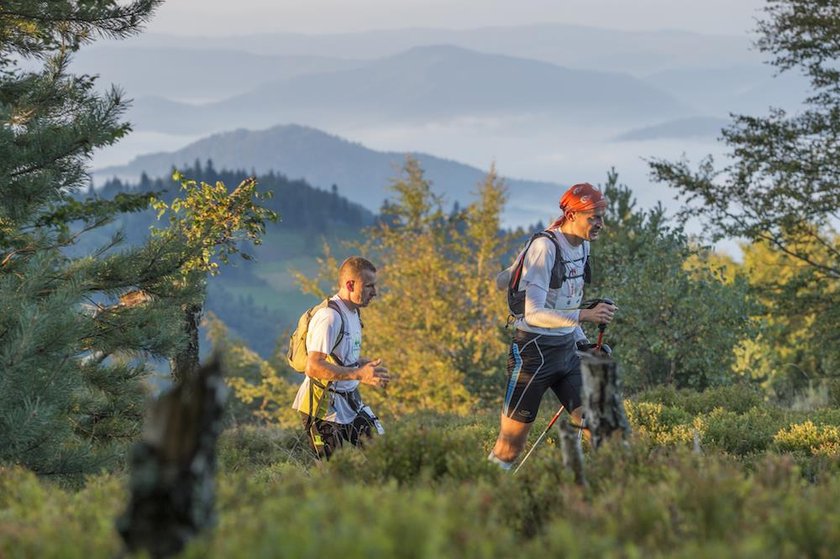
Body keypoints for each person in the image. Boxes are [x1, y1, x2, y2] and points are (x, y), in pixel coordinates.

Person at [488, 183, 618, 470]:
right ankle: (482, 499)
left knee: (597, 426)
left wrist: (583, 342)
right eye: (593, 217)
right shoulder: (545, 248)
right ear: (572, 215)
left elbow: (569, 300)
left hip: (566, 350)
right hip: (533, 352)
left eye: (601, 216)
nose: (600, 224)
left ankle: (599, 497)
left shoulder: (582, 245)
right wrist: (586, 316)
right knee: (509, 450)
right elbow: (534, 313)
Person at [292, 256, 390, 459]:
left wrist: (362, 365)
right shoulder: (329, 317)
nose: (375, 292)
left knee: (382, 451)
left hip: (350, 402)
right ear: (350, 284)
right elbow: (314, 367)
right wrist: (359, 374)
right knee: (332, 472)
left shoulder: (353, 313)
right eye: (369, 286)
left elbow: (338, 359)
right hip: (322, 409)